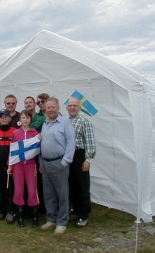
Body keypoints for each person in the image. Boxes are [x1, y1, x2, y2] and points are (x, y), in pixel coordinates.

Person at [40, 97, 75, 234]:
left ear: (58, 108)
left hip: (59, 163)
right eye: (48, 108)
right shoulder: (45, 123)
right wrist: (41, 162)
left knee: (62, 194)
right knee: (49, 194)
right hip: (46, 163)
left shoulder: (65, 122)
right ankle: (51, 219)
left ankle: (62, 222)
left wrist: (65, 161)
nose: (50, 110)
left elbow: (71, 142)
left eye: (53, 107)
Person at [7, 110, 40, 228]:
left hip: (31, 165)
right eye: (23, 117)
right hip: (18, 166)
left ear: (30, 119)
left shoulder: (35, 133)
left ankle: (35, 216)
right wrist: (10, 165)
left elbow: (38, 150)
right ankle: (20, 216)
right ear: (19, 120)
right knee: (19, 190)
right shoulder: (16, 134)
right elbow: (12, 151)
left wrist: (39, 139)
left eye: (27, 117)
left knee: (32, 190)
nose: (25, 120)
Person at [66, 97, 96, 228]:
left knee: (83, 186)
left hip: (80, 155)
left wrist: (87, 159)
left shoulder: (84, 122)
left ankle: (84, 214)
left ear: (79, 108)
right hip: (68, 156)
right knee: (72, 185)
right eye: (70, 105)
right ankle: (76, 210)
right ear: (67, 108)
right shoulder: (65, 122)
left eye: (75, 105)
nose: (72, 107)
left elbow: (90, 142)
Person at [30, 93, 50, 215]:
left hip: (55, 151)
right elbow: (33, 127)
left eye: (43, 101)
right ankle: (43, 207)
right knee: (43, 181)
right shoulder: (37, 116)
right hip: (41, 153)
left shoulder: (57, 115)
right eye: (39, 102)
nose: (41, 104)